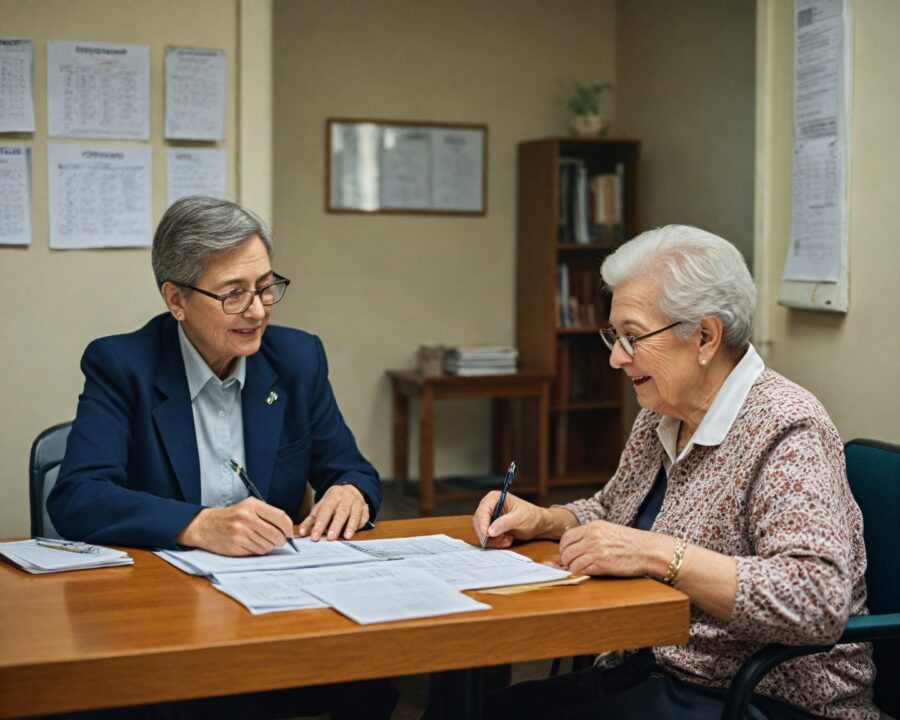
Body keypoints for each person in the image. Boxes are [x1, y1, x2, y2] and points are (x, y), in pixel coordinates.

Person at [474, 225, 877, 720]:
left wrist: (655, 554)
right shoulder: (664, 410)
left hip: (760, 698)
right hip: (651, 670)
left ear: (704, 336)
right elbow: (612, 512)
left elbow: (816, 599)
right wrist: (545, 519)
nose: (615, 357)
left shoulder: (788, 427)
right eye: (614, 336)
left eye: (632, 337)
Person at [48, 196, 397, 719]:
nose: (257, 310)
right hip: (161, 615)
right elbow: (78, 496)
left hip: (274, 608)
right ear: (177, 299)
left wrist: (349, 491)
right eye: (233, 295)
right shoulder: (122, 365)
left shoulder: (297, 359)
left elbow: (351, 468)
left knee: (374, 677)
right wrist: (201, 525)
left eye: (265, 287)